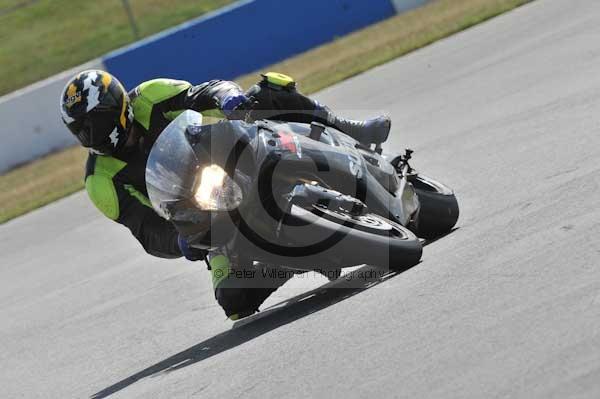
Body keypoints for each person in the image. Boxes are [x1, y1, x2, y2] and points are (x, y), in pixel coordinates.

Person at [59, 69, 390, 319]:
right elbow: (146, 229)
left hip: (232, 149)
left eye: (96, 123)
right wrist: (180, 242)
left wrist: (228, 97)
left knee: (268, 90)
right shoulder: (100, 181)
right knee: (234, 301)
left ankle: (346, 126)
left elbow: (206, 91)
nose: (92, 135)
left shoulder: (151, 95)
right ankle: (290, 263)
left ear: (118, 106)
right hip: (208, 217)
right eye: (81, 131)